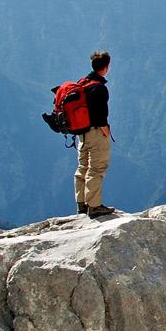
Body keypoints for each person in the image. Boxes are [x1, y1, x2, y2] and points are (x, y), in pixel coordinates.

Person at [75, 51, 114, 218]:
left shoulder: (82, 83)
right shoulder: (99, 88)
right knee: (97, 168)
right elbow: (101, 117)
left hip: (81, 134)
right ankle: (94, 206)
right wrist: (106, 133)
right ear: (105, 68)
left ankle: (81, 204)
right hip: (95, 132)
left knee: (82, 167)